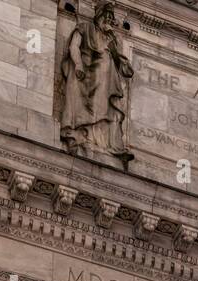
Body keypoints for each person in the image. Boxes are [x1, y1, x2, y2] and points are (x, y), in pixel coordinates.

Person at [60, 2, 135, 170]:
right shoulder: (85, 27)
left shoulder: (112, 39)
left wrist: (113, 50)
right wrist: (78, 64)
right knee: (104, 64)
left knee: (107, 62)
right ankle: (83, 134)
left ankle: (106, 141)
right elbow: (74, 46)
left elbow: (126, 69)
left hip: (105, 77)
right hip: (87, 69)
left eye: (111, 18)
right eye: (106, 17)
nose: (108, 20)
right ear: (99, 16)